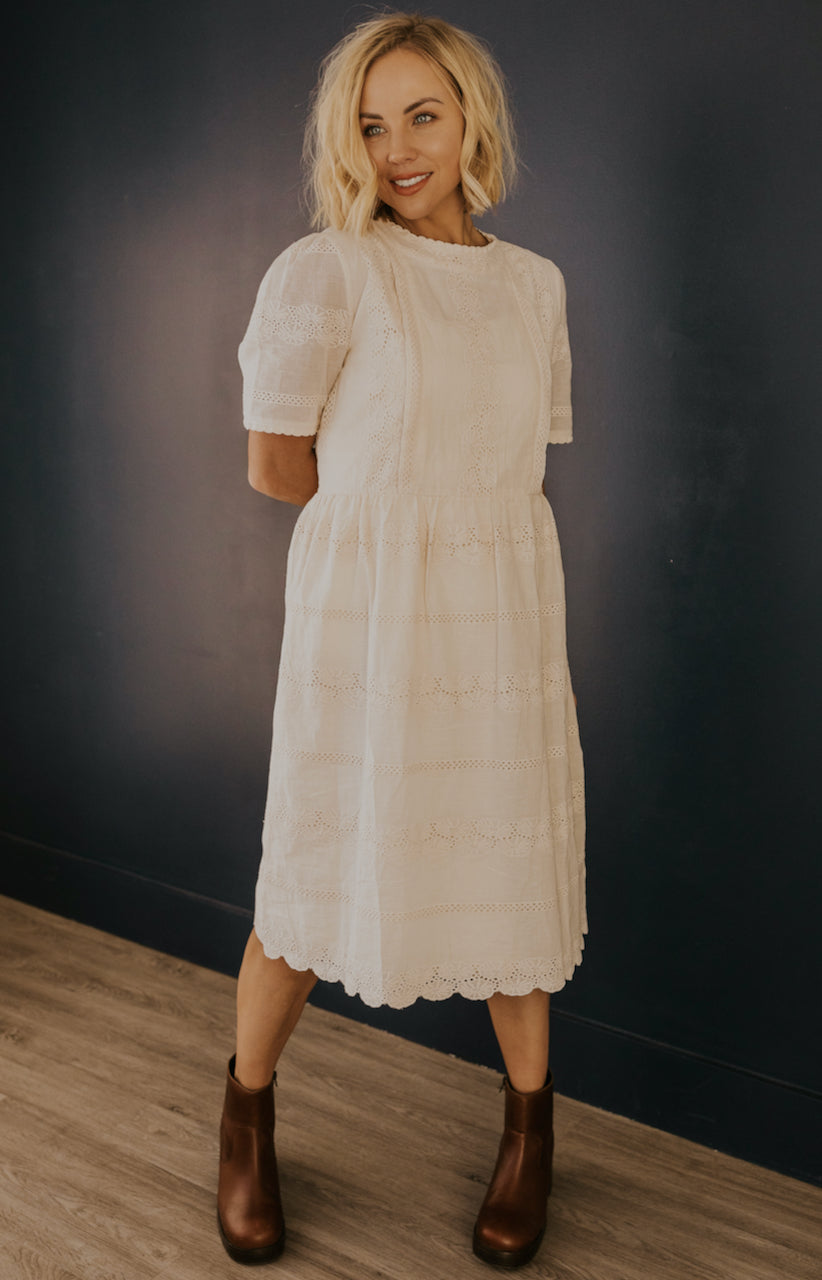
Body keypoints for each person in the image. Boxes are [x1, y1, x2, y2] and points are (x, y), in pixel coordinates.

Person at [218, 10, 586, 1269]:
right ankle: (245, 1112)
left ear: (471, 116)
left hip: (497, 621)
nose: (397, 150)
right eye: (371, 127)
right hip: (364, 617)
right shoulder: (326, 270)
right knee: (310, 872)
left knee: (507, 875)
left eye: (421, 115)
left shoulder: (533, 285)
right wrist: (389, 530)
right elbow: (279, 468)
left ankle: (530, 1131)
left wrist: (451, 538)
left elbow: (513, 465)